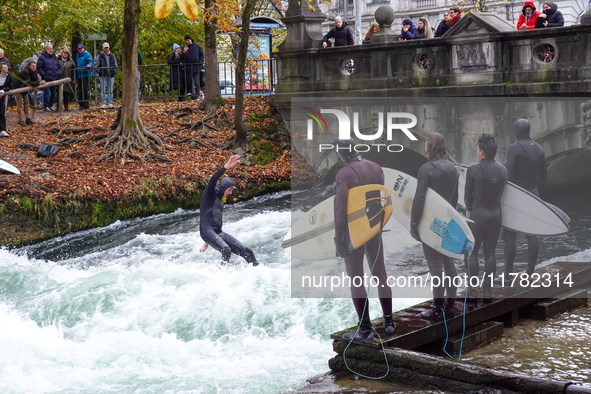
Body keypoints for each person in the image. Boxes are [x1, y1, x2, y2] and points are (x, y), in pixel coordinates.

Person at [332, 139, 396, 340]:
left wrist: (337, 238)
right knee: (380, 273)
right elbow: (380, 198)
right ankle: (389, 322)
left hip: (354, 230)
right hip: (374, 227)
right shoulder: (376, 168)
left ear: (341, 154)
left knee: (356, 278)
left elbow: (341, 210)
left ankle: (365, 329)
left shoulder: (344, 174)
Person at [410, 133, 459, 320]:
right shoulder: (453, 169)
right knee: (449, 263)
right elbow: (454, 200)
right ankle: (450, 307)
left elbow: (419, 198)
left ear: (429, 147)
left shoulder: (426, 169)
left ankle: (437, 309)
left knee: (435, 265)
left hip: (430, 223)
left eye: (425, 145)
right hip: (448, 222)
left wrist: (414, 225)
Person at [464, 134, 507, 301]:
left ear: (482, 152)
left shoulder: (474, 170)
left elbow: (468, 198)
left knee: (473, 253)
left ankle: (473, 291)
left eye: (477, 150)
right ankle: (488, 293)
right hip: (496, 216)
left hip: (478, 216)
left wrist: (470, 208)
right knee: (490, 254)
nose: (476, 153)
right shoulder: (503, 170)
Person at [504, 119, 547, 277]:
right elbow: (544, 176)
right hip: (533, 195)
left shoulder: (513, 148)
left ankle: (508, 274)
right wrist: (533, 189)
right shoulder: (539, 148)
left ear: (517, 131)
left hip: (516, 195)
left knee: (510, 234)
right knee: (531, 234)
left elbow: (508, 175)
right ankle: (530, 271)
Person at [199, 155, 259, 266]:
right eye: (230, 189)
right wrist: (226, 166)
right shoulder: (209, 192)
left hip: (216, 232)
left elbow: (211, 217)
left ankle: (259, 271)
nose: (231, 193)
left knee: (247, 252)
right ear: (223, 187)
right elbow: (213, 179)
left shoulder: (220, 197)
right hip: (206, 230)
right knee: (226, 249)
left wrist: (209, 240)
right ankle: (222, 276)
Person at [12, 60, 46, 126]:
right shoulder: (25, 72)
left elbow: (35, 80)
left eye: (35, 66)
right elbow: (29, 83)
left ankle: (28, 118)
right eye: (32, 66)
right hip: (18, 87)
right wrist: (39, 83)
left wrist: (40, 82)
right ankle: (20, 119)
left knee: (27, 103)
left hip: (25, 88)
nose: (34, 67)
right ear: (29, 66)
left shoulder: (35, 71)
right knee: (19, 104)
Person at [37, 44, 61, 113]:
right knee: (46, 93)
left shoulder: (54, 57)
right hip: (46, 79)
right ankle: (46, 107)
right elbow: (39, 68)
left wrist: (58, 73)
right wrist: (44, 75)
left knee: (53, 93)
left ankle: (50, 105)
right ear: (46, 49)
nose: (51, 50)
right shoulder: (42, 57)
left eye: (52, 49)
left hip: (54, 78)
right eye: (49, 49)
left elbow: (59, 67)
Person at [95, 42, 118, 108]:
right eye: (105, 47)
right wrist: (99, 71)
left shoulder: (112, 56)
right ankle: (103, 103)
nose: (106, 49)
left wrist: (114, 71)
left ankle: (110, 102)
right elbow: (96, 65)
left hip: (111, 75)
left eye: (107, 47)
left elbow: (115, 65)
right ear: (102, 48)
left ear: (109, 48)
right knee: (103, 90)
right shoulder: (99, 56)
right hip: (102, 75)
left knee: (110, 89)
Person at [182, 34, 204, 100]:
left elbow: (201, 55)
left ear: (191, 40)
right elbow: (182, 58)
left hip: (196, 66)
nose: (187, 42)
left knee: (197, 82)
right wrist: (184, 53)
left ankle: (197, 95)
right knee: (190, 82)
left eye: (188, 40)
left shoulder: (197, 46)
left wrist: (200, 62)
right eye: (186, 41)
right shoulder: (185, 48)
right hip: (188, 67)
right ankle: (193, 96)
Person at [75, 43, 93, 109]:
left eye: (81, 48)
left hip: (85, 75)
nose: (80, 50)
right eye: (79, 49)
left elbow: (90, 61)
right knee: (79, 90)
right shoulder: (77, 56)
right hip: (79, 75)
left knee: (84, 90)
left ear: (83, 48)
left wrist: (89, 65)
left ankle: (85, 105)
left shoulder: (87, 54)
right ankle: (81, 104)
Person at [58, 47, 76, 112]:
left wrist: (73, 78)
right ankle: (58, 107)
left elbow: (74, 70)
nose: (65, 54)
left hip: (68, 79)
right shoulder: (58, 60)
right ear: (62, 53)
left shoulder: (71, 61)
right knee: (59, 93)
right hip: (59, 79)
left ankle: (66, 106)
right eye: (64, 53)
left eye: (66, 53)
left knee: (67, 94)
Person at [0, 63, 13, 137]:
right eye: (4, 67)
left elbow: (10, 86)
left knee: (2, 113)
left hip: (2, 94)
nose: (6, 68)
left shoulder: (9, 77)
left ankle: (2, 130)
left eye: (7, 67)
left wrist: (4, 90)